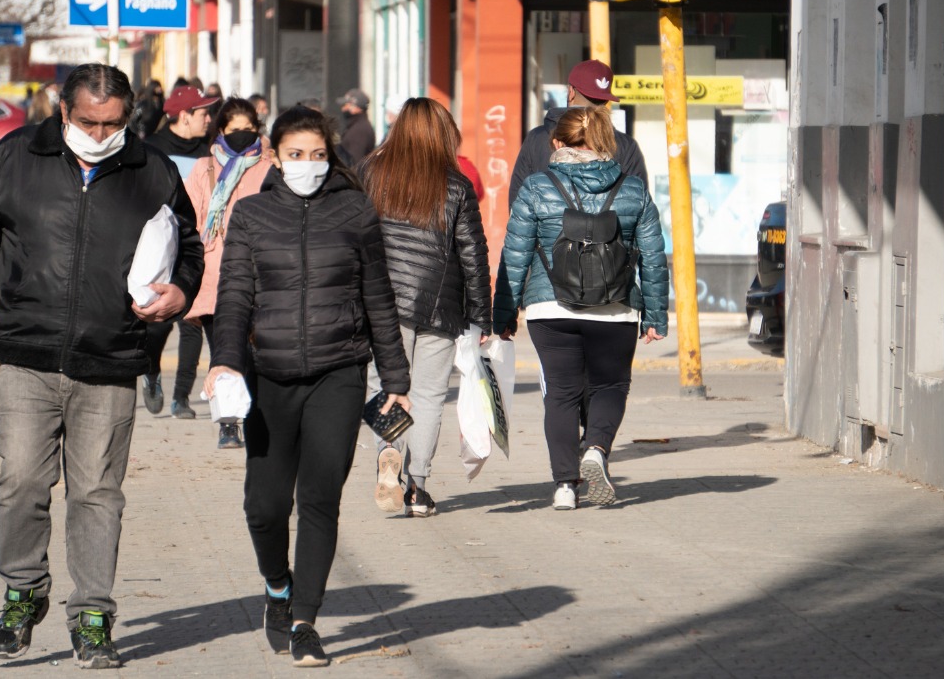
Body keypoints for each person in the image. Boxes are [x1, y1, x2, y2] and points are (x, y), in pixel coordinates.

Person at [0, 63, 204, 669]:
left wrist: (181, 291)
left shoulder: (152, 170)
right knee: (21, 482)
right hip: (27, 354)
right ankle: (23, 592)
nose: (100, 132)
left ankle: (92, 615)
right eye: (88, 121)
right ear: (63, 112)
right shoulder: (15, 157)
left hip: (112, 358)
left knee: (97, 494)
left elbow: (187, 246)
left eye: (113, 123)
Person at [209, 107, 410, 667]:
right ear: (274, 155)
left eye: (318, 155)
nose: (308, 165)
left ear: (332, 156)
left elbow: (378, 298)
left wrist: (395, 377)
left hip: (338, 373)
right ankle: (277, 585)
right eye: (296, 155)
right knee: (265, 506)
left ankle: (305, 621)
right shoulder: (250, 215)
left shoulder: (354, 210)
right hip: (268, 376)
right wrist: (225, 361)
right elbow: (234, 298)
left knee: (319, 500)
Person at [493, 105, 669, 511]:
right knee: (609, 386)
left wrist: (504, 313)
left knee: (561, 394)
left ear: (557, 144)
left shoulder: (536, 187)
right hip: (615, 307)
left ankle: (564, 487)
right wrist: (656, 314)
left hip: (549, 307)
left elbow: (515, 252)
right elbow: (654, 257)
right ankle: (597, 450)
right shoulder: (633, 190)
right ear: (607, 142)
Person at [361, 97, 491, 517]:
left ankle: (387, 453)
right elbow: (473, 253)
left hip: (380, 305)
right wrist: (482, 316)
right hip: (440, 307)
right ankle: (417, 488)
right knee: (430, 396)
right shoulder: (456, 186)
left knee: (385, 387)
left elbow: (350, 238)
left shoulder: (370, 174)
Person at [182, 98, 271, 448]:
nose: (241, 136)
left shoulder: (268, 168)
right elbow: (188, 221)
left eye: (247, 129)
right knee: (223, 351)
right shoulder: (203, 168)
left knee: (255, 354)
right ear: (221, 131)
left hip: (259, 274)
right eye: (233, 130)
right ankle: (228, 423)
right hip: (214, 277)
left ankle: (256, 416)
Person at [140, 85, 216, 418]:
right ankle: (152, 371)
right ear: (184, 116)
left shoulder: (207, 150)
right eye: (203, 113)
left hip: (195, 246)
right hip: (158, 247)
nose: (209, 118)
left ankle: (181, 397)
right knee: (157, 325)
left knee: (192, 323)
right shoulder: (151, 148)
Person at [508, 59, 648, 208]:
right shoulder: (625, 145)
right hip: (611, 231)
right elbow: (639, 205)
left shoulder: (537, 139)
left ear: (571, 92)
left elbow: (518, 203)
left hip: (548, 231)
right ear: (606, 101)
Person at [337, 88, 375, 166]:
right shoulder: (355, 126)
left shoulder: (360, 130)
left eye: (346, 105)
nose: (343, 108)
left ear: (357, 108)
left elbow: (355, 162)